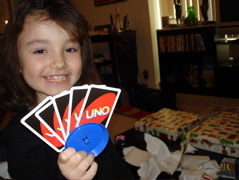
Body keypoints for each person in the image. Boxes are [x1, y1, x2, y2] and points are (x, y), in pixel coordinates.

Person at [0, 0, 134, 179]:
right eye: (40, 51)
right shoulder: (19, 136)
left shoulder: (90, 113)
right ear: (17, 61)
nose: (59, 63)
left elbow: (116, 170)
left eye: (70, 49)